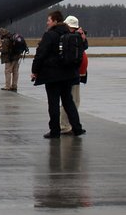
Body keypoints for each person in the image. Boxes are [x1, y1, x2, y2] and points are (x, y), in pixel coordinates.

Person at [31, 10, 85, 139]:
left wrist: (34, 71)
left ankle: (55, 131)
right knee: (68, 102)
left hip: (52, 75)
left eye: (49, 20)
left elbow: (41, 54)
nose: (47, 22)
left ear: (55, 21)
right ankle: (77, 128)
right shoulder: (69, 33)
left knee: (53, 103)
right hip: (68, 74)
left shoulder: (50, 35)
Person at [60, 16, 89, 135]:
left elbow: (83, 48)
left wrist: (82, 38)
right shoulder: (68, 38)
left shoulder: (73, 38)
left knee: (75, 101)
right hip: (70, 74)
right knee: (70, 101)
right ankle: (65, 125)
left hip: (77, 73)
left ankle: (69, 124)